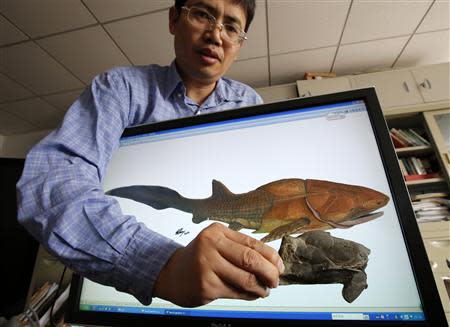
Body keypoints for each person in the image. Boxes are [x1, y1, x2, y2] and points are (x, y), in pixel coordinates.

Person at [17, 0, 285, 308]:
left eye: (232, 27)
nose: (216, 35)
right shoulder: (120, 89)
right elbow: (50, 182)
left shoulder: (252, 104)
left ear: (238, 44)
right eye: (202, 14)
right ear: (174, 20)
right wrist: (163, 264)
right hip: (135, 300)